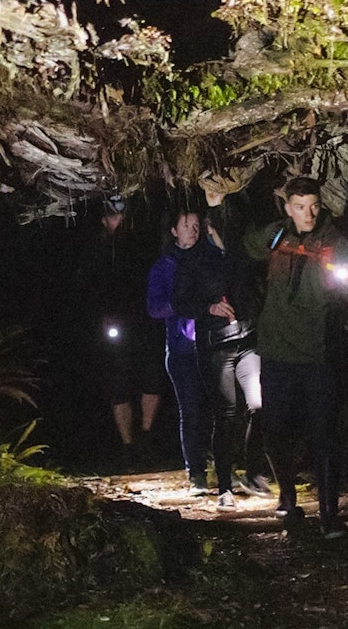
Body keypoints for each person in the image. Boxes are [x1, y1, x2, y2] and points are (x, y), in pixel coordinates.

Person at [244, 176, 348, 537]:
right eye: (300, 207)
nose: (308, 214)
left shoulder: (335, 241)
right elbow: (242, 244)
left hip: (317, 354)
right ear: (288, 207)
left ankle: (328, 514)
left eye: (314, 205)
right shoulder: (276, 235)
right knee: (275, 430)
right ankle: (289, 498)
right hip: (277, 351)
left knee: (324, 432)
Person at [174, 189, 272, 509]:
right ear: (211, 227)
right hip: (216, 347)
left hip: (247, 341)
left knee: (259, 404)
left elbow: (258, 286)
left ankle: (254, 472)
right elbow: (180, 302)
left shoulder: (241, 254)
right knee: (227, 415)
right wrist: (209, 307)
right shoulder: (194, 259)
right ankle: (225, 485)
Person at [77, 195, 164, 471]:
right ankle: (127, 446)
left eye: (123, 215)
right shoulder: (97, 250)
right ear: (104, 220)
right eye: (115, 215)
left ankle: (147, 438)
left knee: (152, 380)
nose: (121, 220)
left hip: (146, 320)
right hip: (115, 326)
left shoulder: (141, 242)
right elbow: (88, 289)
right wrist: (100, 320)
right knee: (120, 386)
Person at [146, 207, 208, 494]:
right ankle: (195, 471)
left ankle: (225, 466)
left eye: (196, 226)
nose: (192, 231)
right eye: (186, 225)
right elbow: (154, 308)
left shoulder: (209, 258)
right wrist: (179, 303)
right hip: (182, 350)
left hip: (211, 345)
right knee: (191, 409)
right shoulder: (163, 267)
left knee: (221, 408)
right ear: (174, 230)